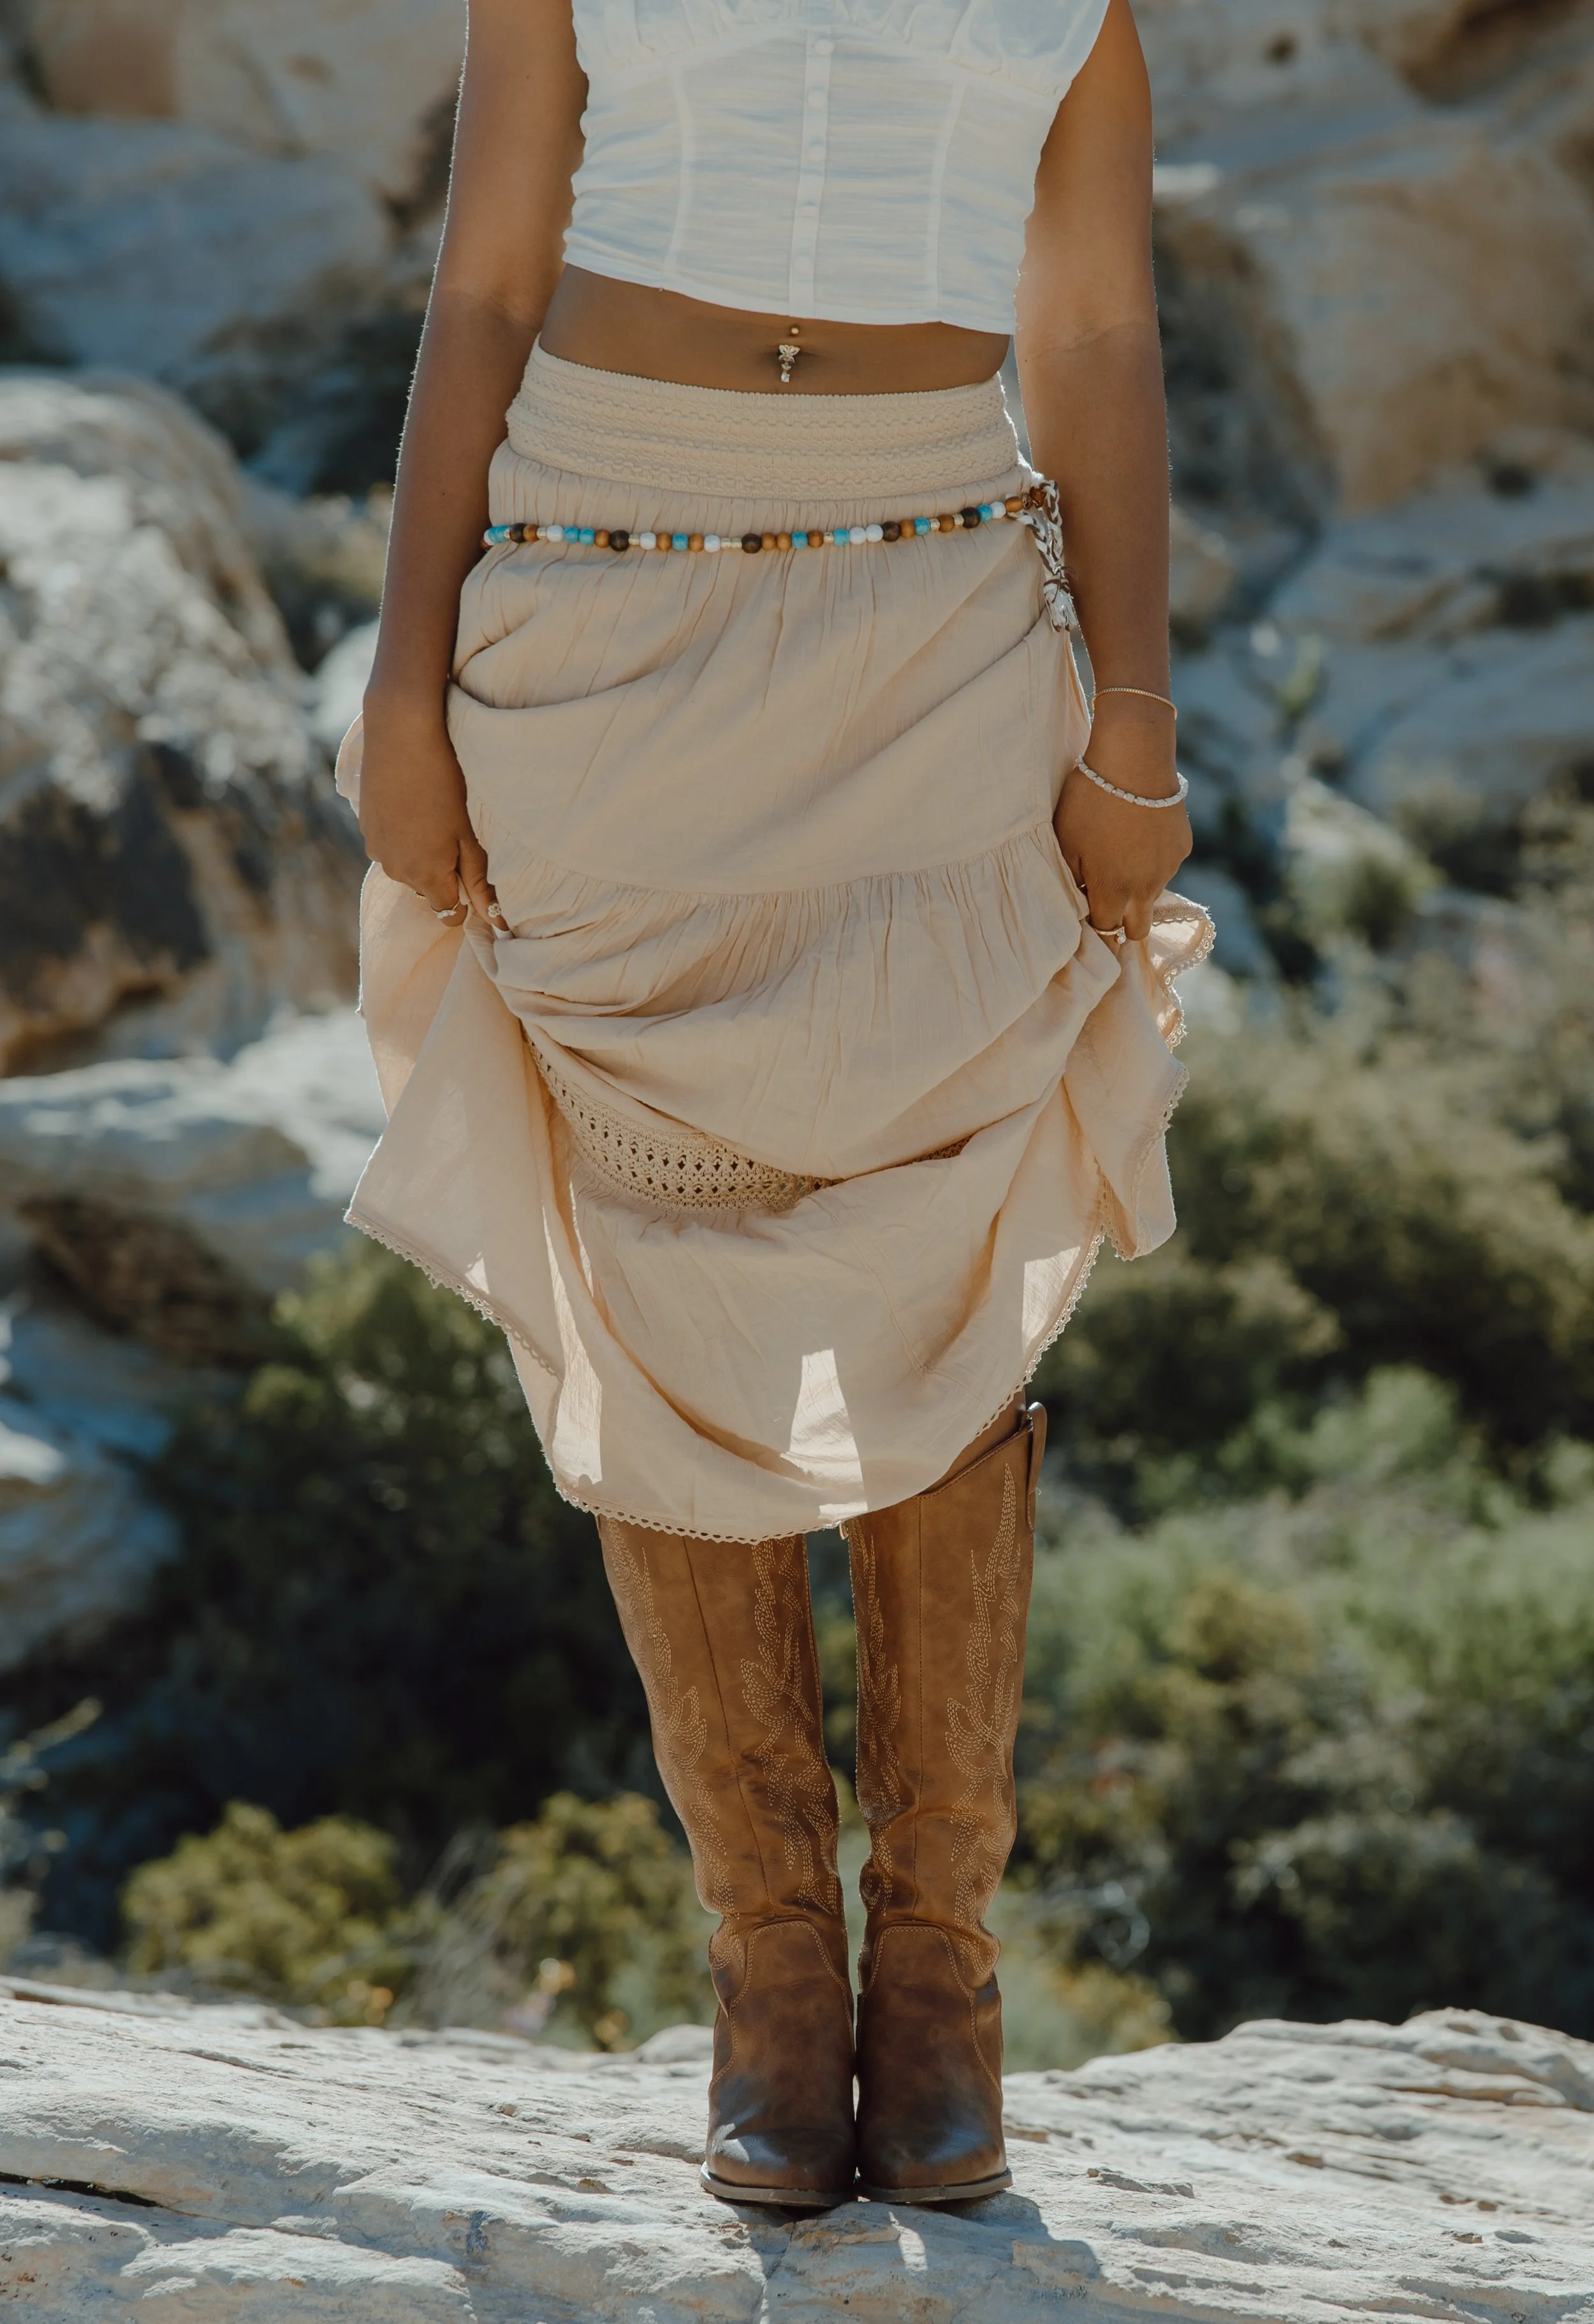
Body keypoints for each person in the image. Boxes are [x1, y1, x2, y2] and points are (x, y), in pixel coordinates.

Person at [340, 0, 1208, 2212]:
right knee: (655, 1250)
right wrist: (401, 673)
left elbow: (1094, 321)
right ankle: (768, 1977)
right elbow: (488, 284)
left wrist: (1131, 711)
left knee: (943, 1242)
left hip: (932, 605)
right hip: (606, 574)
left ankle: (935, 1981)